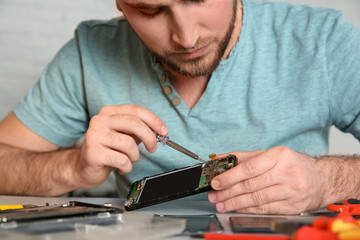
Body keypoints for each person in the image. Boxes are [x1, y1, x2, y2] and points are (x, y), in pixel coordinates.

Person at [0, 0, 359, 215]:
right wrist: (71, 168)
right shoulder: (89, 52)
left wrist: (327, 181)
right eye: (150, 10)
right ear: (121, 4)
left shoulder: (323, 42)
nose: (186, 38)